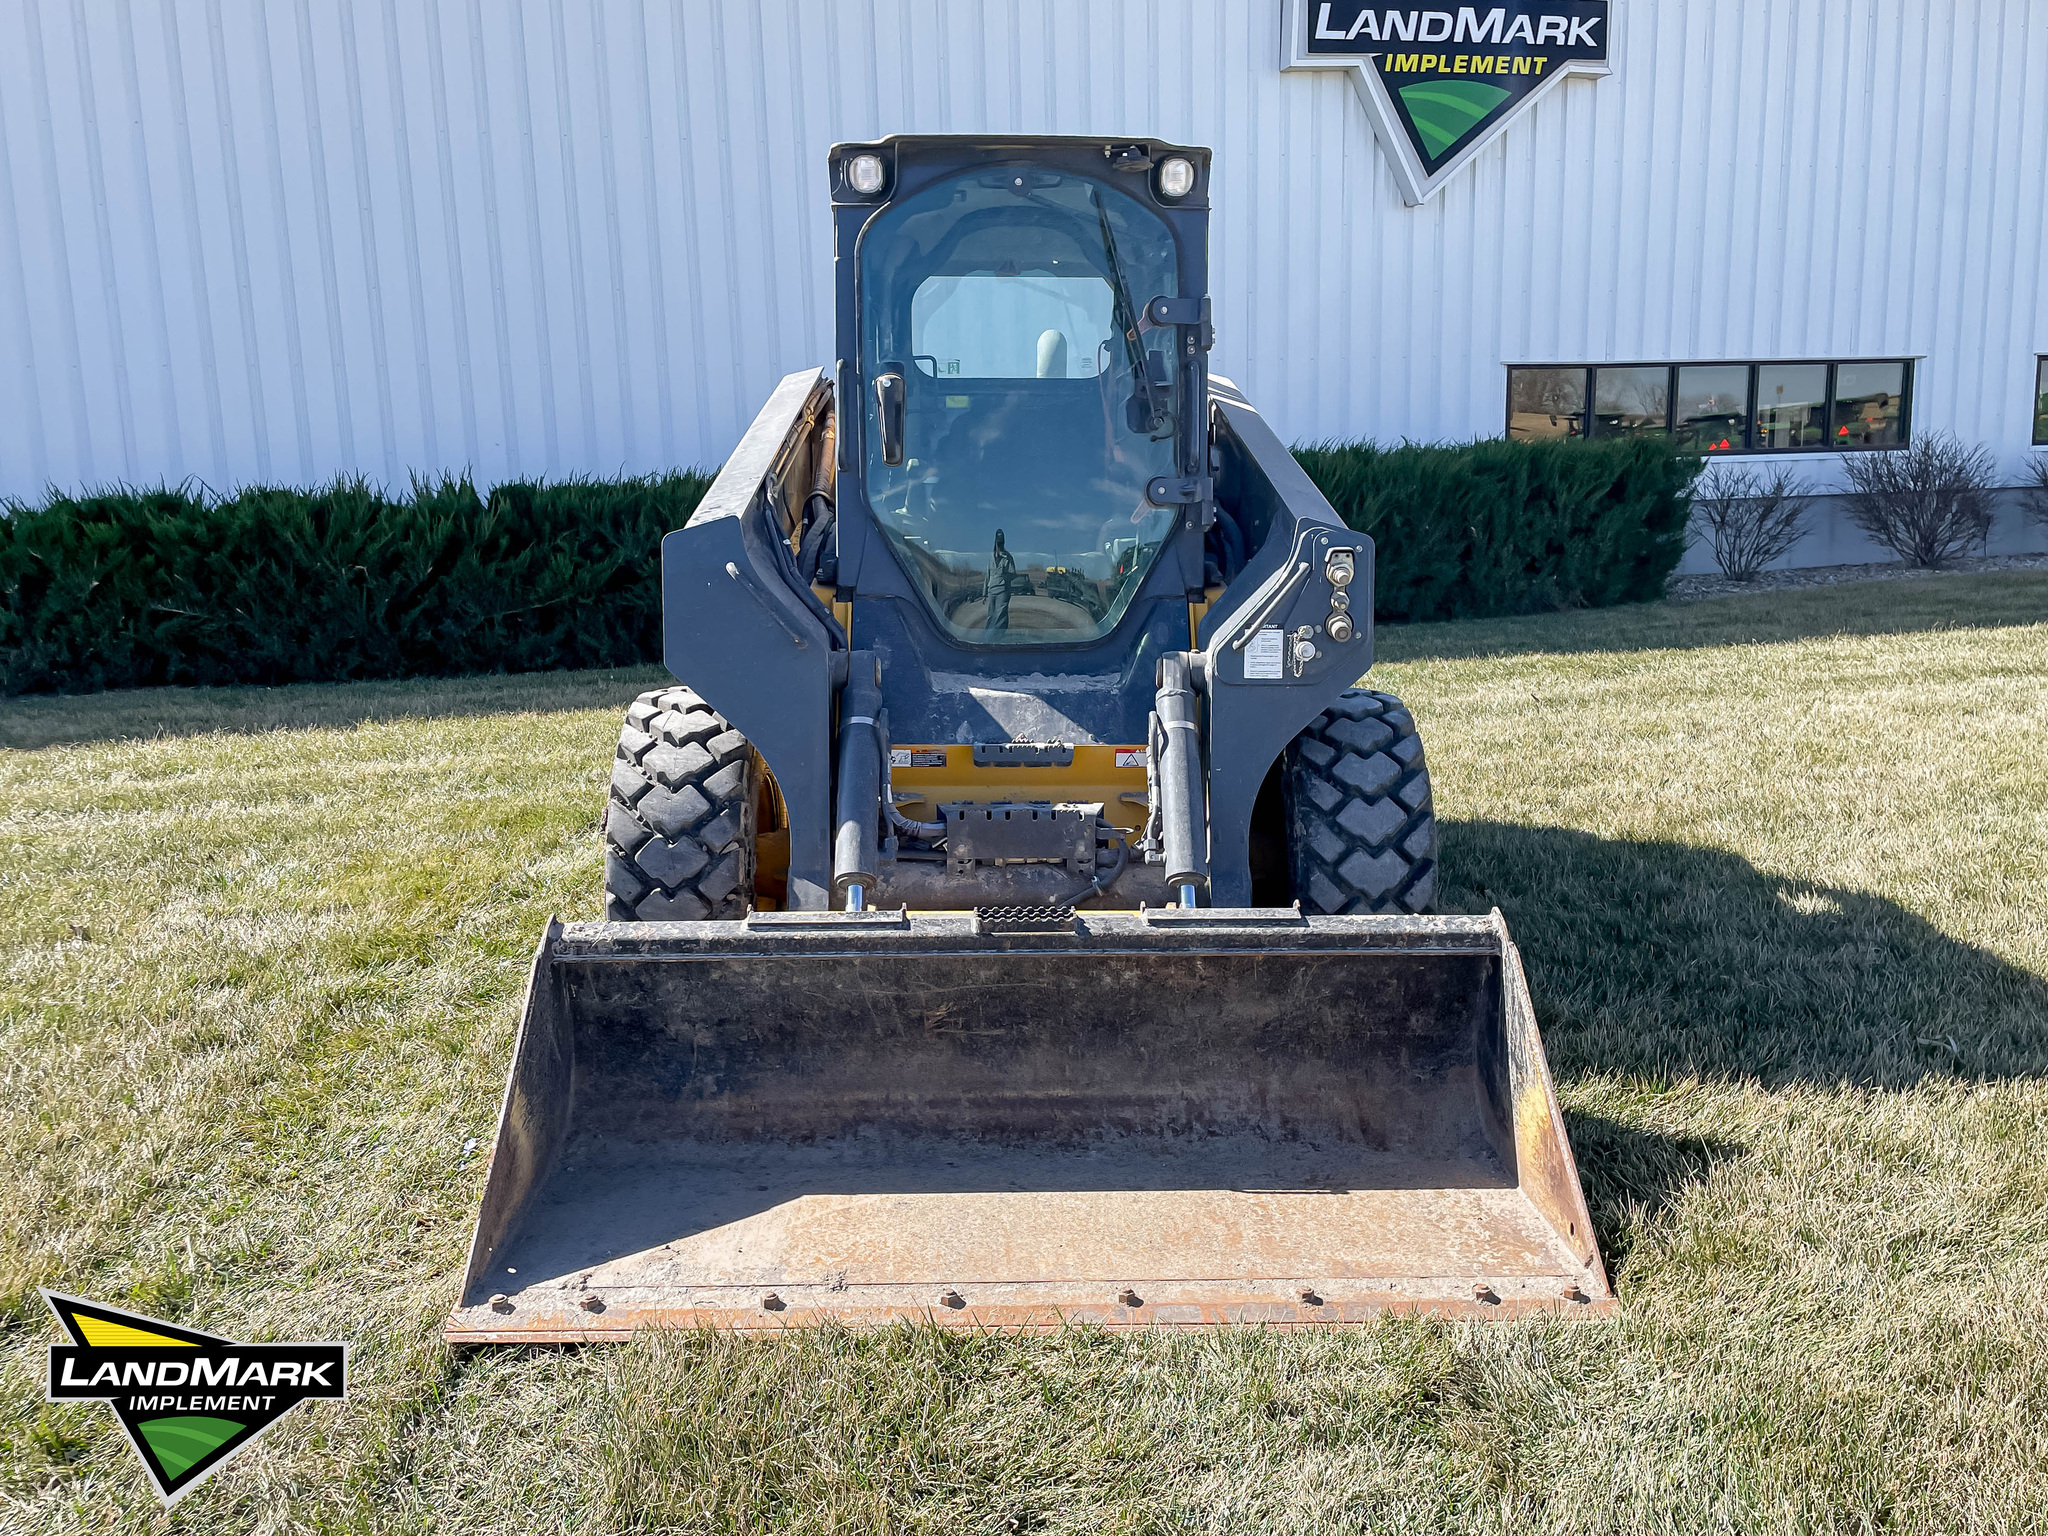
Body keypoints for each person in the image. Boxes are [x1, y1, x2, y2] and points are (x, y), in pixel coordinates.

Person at [983, 528, 1016, 636]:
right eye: (998, 543)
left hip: (1003, 590)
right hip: (991, 590)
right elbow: (986, 576)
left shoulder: (1008, 557)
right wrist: (984, 594)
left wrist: (1003, 578)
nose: (1000, 545)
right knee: (991, 615)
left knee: (1000, 615)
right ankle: (986, 637)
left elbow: (1013, 574)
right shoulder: (990, 557)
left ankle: (996, 638)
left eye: (1001, 543)